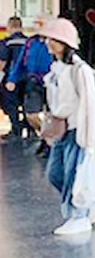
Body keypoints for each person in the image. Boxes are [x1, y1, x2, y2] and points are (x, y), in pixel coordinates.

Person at [41, 17, 95, 236]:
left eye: (54, 40)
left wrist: (90, 140)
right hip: (63, 129)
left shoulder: (79, 70)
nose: (49, 43)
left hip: (78, 129)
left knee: (73, 173)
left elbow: (88, 104)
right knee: (55, 173)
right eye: (48, 39)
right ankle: (89, 201)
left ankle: (78, 216)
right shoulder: (57, 69)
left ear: (65, 43)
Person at [6, 15, 54, 156]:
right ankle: (46, 137)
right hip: (33, 81)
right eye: (35, 24)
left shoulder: (54, 42)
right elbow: (20, 63)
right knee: (31, 115)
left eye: (40, 24)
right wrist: (12, 79)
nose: (36, 26)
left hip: (52, 83)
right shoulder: (30, 42)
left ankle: (49, 142)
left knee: (51, 115)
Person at [1, 16, 28, 140]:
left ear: (9, 27)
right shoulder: (28, 42)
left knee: (10, 104)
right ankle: (29, 128)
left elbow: (2, 62)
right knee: (26, 104)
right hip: (28, 78)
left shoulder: (6, 42)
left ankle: (16, 130)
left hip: (11, 79)